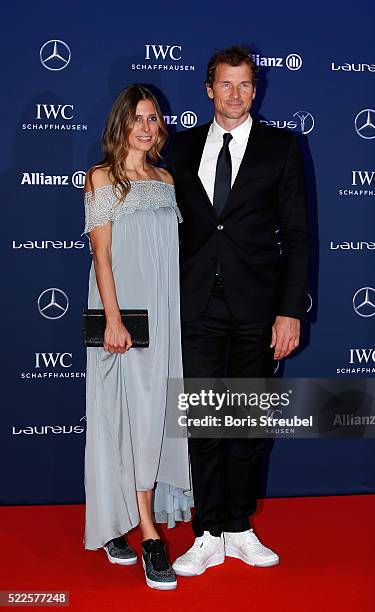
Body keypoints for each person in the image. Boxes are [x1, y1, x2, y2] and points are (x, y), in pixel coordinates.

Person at [167, 46, 309, 576]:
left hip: (258, 308)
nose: (235, 94)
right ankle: (206, 531)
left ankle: (239, 526)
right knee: (204, 420)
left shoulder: (282, 148)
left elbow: (297, 236)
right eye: (225, 85)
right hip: (197, 304)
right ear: (209, 90)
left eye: (244, 85)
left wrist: (289, 311)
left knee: (247, 422)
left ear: (256, 89)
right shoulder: (178, 150)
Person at [83, 83, 191, 591]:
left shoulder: (167, 179)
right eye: (139, 118)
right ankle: (145, 533)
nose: (148, 128)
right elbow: (101, 257)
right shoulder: (102, 177)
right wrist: (112, 319)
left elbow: (166, 256)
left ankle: (122, 520)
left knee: (152, 418)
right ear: (121, 123)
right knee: (119, 417)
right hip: (121, 317)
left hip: (163, 316)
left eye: (154, 119)